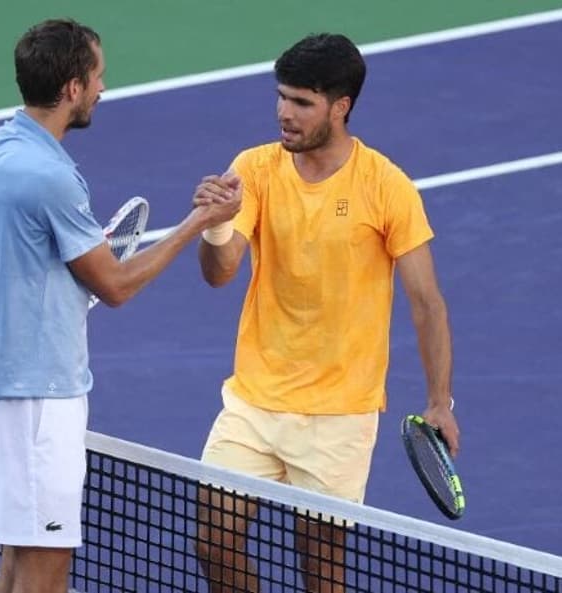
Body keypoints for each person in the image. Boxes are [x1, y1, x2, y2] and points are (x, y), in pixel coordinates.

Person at [0, 19, 240, 593]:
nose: (104, 87)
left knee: (16, 560)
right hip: (42, 401)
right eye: (98, 76)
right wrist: (198, 222)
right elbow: (117, 285)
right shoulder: (55, 178)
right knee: (47, 569)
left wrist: (31, 310)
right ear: (73, 88)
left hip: (4, 390)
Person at [194, 33, 459, 593]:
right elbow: (219, 273)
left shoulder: (387, 187)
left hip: (340, 414)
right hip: (254, 400)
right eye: (281, 97)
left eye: (301, 103)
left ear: (340, 108)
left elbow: (427, 302)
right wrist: (216, 223)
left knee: (322, 568)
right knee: (213, 540)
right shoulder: (256, 168)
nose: (283, 114)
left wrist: (440, 402)